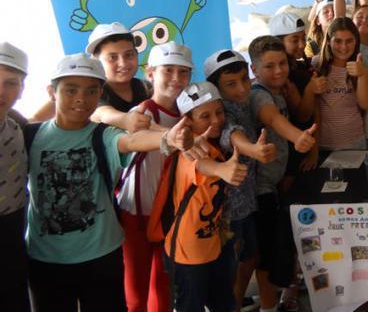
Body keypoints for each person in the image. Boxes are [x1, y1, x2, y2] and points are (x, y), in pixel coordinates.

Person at [26, 54, 191, 312]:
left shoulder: (103, 134)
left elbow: (132, 141)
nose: (81, 98)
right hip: (46, 259)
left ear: (100, 94)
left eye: (91, 90)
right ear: (52, 92)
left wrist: (169, 138)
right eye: (71, 89)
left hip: (101, 256)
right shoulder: (30, 136)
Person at [120, 42, 194, 312]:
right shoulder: (141, 113)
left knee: (163, 288)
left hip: (168, 213)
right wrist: (168, 136)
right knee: (135, 293)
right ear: (150, 73)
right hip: (135, 212)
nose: (176, 78)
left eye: (183, 72)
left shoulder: (188, 115)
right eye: (168, 70)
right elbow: (132, 140)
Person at [247, 36, 318, 312]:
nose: (278, 71)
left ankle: (270, 302)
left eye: (282, 64)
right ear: (254, 70)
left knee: (270, 252)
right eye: (269, 66)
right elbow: (271, 118)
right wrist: (297, 137)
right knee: (264, 256)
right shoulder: (259, 94)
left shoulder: (279, 90)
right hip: (260, 188)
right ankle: (267, 307)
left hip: (273, 183)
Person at [203, 49, 278, 311]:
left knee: (249, 258)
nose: (242, 88)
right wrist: (254, 150)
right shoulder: (223, 112)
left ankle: (235, 300)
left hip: (246, 203)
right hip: (229, 210)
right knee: (233, 265)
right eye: (231, 84)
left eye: (244, 79)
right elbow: (232, 134)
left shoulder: (245, 103)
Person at [163, 81, 243, 312]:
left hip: (213, 245)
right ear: (187, 122)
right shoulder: (189, 150)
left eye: (219, 112)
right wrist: (222, 170)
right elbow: (201, 165)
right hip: (187, 254)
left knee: (224, 304)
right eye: (205, 116)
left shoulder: (214, 146)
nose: (216, 120)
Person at [300, 18, 368, 150]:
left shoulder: (360, 66)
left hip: (355, 142)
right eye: (338, 41)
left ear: (356, 41)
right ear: (328, 41)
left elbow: (365, 104)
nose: (343, 47)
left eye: (349, 41)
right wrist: (310, 89)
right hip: (322, 145)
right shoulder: (315, 65)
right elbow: (305, 114)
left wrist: (362, 75)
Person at [0, 43, 29, 311]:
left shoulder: (16, 124)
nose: (1, 91)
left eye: (10, 83)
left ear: (21, 89)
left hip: (14, 225)